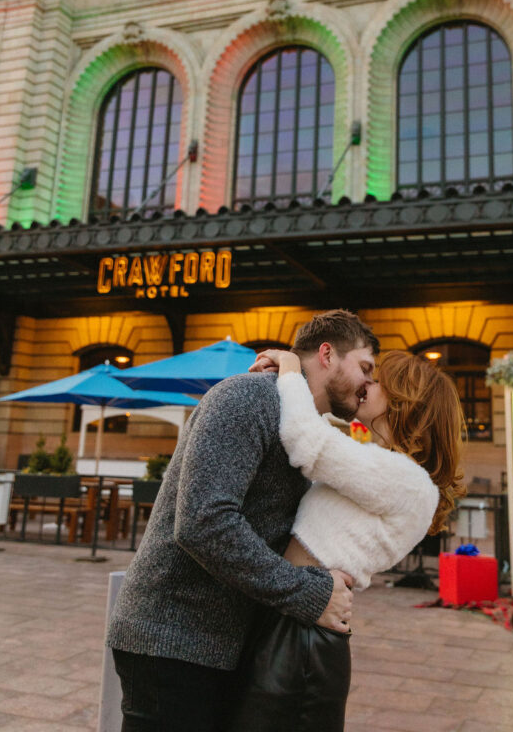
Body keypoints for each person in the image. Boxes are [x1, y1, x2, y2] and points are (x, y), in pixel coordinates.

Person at [106, 309, 379, 732]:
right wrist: (309, 592)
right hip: (173, 640)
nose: (367, 384)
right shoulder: (249, 397)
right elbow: (204, 521)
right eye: (365, 367)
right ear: (327, 354)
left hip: (220, 645)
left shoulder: (305, 424)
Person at [229, 347, 465, 732]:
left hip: (302, 635)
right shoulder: (380, 465)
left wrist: (292, 369)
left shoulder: (408, 480)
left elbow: (308, 440)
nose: (365, 384)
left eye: (377, 381)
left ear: (405, 403)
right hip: (294, 612)